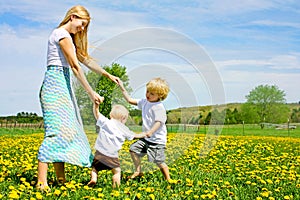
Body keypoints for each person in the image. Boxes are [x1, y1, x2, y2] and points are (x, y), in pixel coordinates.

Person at [37, 5, 120, 191]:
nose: (82, 29)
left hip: (61, 86)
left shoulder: (68, 39)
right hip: (54, 87)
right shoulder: (61, 35)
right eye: (82, 24)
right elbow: (75, 67)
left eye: (85, 27)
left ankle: (60, 180)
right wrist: (92, 94)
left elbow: (85, 59)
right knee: (56, 133)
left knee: (65, 132)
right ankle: (41, 182)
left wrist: (107, 75)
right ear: (72, 17)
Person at [119, 77, 171, 181]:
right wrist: (122, 87)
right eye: (147, 91)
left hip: (156, 140)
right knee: (133, 149)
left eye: (152, 94)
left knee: (158, 161)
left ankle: (168, 179)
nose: (148, 95)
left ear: (160, 95)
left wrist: (150, 132)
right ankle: (138, 171)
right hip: (146, 139)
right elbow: (129, 100)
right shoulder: (144, 102)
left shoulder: (158, 107)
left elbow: (159, 122)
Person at [88, 100, 147, 188]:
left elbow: (97, 114)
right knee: (117, 171)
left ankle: (94, 178)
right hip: (112, 155)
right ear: (123, 119)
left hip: (99, 154)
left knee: (95, 168)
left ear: (111, 115)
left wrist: (96, 106)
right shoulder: (124, 129)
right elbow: (134, 136)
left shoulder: (106, 122)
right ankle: (116, 187)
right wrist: (146, 134)